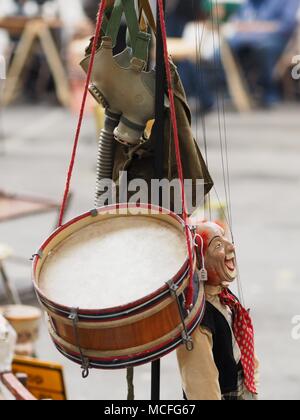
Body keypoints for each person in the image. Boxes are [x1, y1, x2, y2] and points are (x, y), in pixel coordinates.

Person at [177, 221, 259, 400]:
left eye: (225, 238)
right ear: (200, 260)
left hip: (242, 388)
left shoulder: (225, 296)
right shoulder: (199, 319)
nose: (231, 247)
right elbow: (201, 386)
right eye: (218, 245)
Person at [226, 0, 300, 107]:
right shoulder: (251, 3)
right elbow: (236, 20)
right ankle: (241, 90)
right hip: (246, 39)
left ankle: (270, 90)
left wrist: (256, 27)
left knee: (264, 48)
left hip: (280, 40)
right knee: (229, 48)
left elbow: (286, 26)